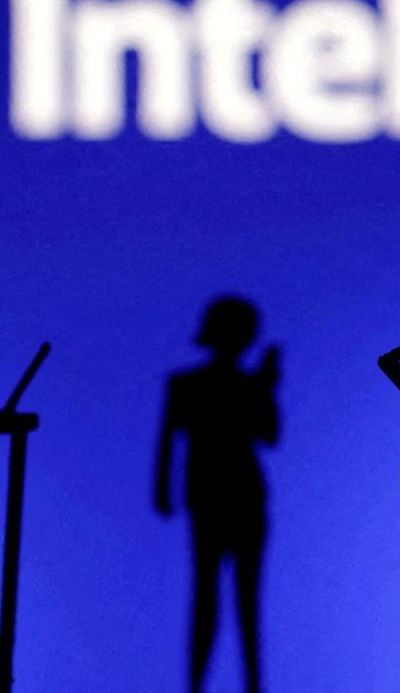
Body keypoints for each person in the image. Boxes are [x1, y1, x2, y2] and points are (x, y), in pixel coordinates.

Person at [155, 295, 280, 693]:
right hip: (216, 495)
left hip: (237, 495)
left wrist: (266, 387)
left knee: (242, 598)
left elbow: (269, 434)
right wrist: (163, 488)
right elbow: (168, 440)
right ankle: (200, 686)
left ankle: (247, 685)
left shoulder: (233, 385)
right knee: (212, 595)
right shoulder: (186, 385)